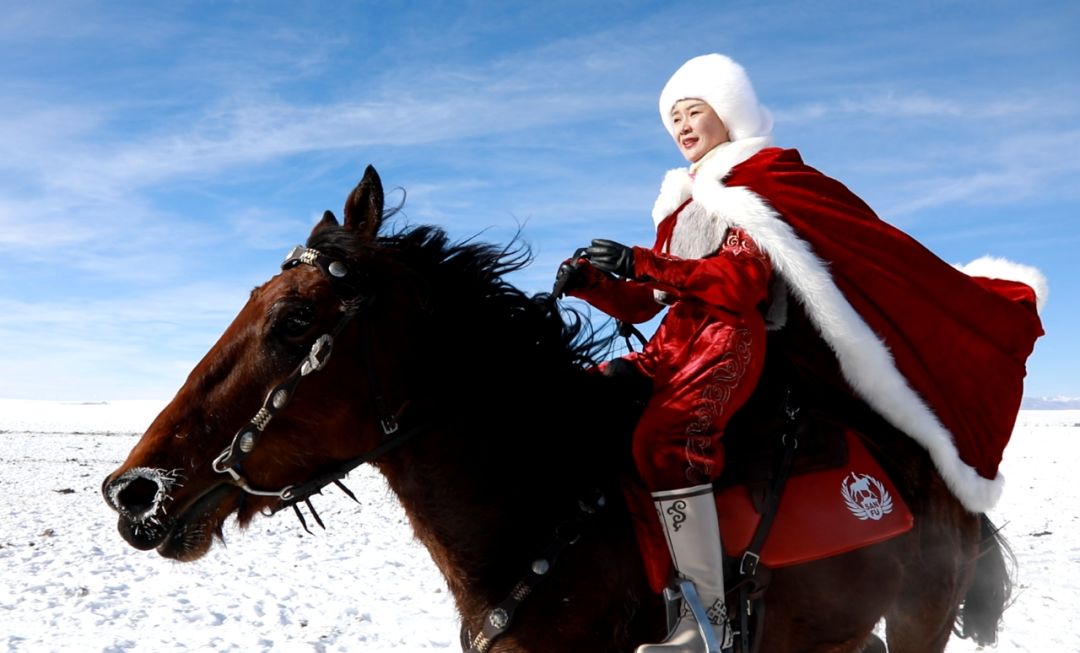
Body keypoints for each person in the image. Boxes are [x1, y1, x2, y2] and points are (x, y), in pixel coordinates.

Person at [561, 53, 1046, 653]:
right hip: (674, 344)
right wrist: (592, 281)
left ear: (728, 115)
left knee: (665, 440)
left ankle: (704, 613)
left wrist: (643, 261)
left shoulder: (757, 181)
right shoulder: (683, 203)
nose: (683, 126)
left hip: (727, 342)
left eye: (695, 112)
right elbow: (647, 302)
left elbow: (741, 283)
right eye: (674, 118)